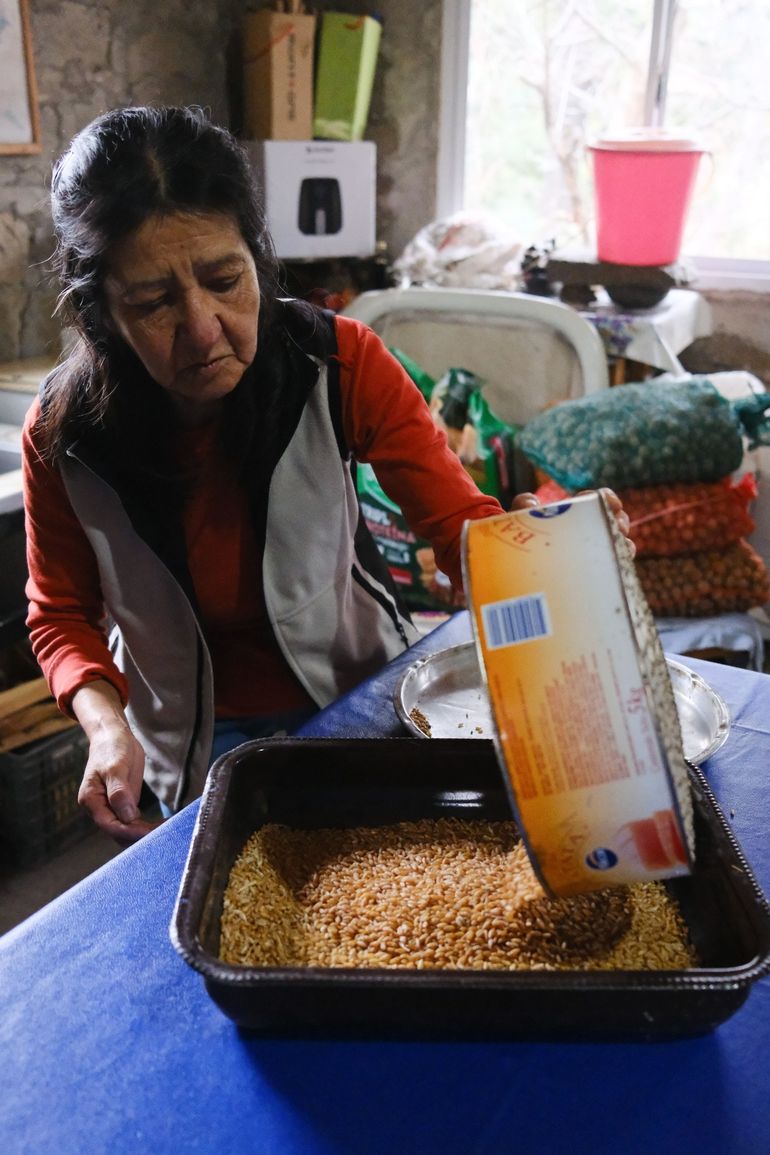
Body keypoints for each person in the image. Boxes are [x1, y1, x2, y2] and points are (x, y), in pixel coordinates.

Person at [23, 105, 629, 848]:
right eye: (153, 302)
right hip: (183, 735)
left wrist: (555, 548)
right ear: (99, 315)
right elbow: (60, 615)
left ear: (257, 254)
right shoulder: (67, 435)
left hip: (354, 695)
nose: (205, 328)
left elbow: (463, 535)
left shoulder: (337, 364)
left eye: (225, 278)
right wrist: (107, 726)